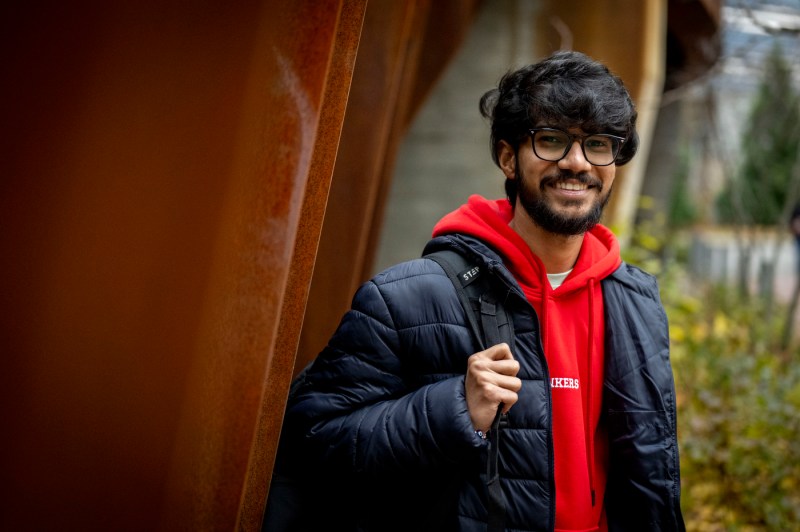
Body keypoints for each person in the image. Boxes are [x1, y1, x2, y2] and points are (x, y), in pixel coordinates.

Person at [264, 50, 685, 531]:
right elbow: (313, 440)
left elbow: (652, 476)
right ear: (509, 158)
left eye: (598, 144)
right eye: (551, 140)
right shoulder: (408, 297)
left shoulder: (635, 301)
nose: (576, 162)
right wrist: (453, 410)